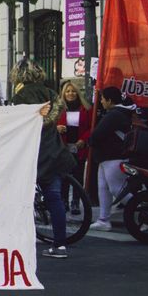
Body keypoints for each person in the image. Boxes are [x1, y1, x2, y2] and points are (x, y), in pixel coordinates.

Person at [11, 59, 73, 258]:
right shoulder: (51, 94)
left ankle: (24, 242)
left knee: (22, 198)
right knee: (55, 198)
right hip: (54, 151)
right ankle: (60, 245)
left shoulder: (20, 96)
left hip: (33, 154)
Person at [88, 86, 136, 232]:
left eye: (102, 98)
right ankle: (103, 219)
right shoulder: (120, 113)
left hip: (113, 156)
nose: (101, 101)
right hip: (106, 157)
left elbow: (97, 134)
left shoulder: (114, 115)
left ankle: (140, 210)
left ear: (109, 100)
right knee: (103, 188)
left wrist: (90, 141)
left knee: (116, 189)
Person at [57, 79, 93, 215]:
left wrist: (83, 139)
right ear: (63, 94)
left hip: (79, 147)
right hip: (63, 147)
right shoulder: (58, 108)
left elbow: (91, 127)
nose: (70, 93)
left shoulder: (86, 108)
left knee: (77, 176)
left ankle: (76, 203)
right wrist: (57, 128)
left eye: (73, 91)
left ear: (77, 93)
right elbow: (49, 125)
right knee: (64, 176)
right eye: (68, 91)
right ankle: (64, 201)